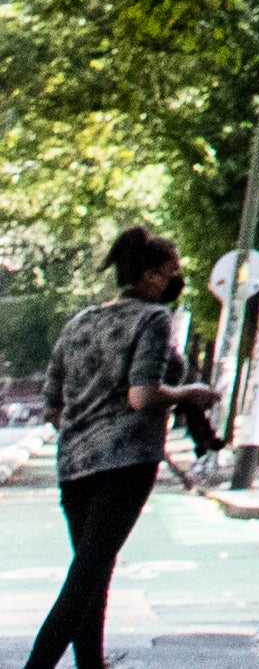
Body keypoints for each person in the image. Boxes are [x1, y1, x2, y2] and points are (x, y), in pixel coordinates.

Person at [20, 227, 217, 669]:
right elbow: (142, 395)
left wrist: (87, 427)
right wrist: (189, 394)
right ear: (148, 277)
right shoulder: (152, 320)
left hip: (74, 466)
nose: (175, 282)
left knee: (93, 571)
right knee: (87, 576)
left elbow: (53, 406)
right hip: (126, 463)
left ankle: (91, 664)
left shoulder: (80, 322)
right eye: (171, 273)